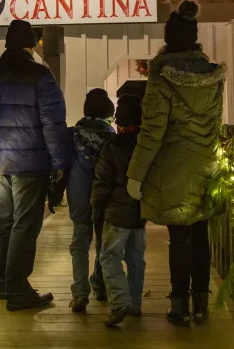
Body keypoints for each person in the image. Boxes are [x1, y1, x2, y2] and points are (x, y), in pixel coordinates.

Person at [127, 0, 225, 326]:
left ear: (168, 39)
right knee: (201, 236)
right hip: (208, 167)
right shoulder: (212, 76)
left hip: (174, 172)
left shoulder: (162, 77)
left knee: (179, 240)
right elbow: (215, 125)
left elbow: (152, 131)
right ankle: (202, 304)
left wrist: (135, 175)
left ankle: (179, 305)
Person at [0, 20, 72, 311]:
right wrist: (59, 162)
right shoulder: (40, 75)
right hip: (30, 161)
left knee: (4, 221)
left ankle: (4, 283)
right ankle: (18, 288)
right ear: (32, 44)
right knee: (25, 224)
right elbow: (52, 123)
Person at [93, 94, 147, 327]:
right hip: (140, 212)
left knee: (109, 257)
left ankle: (119, 301)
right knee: (136, 258)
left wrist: (96, 208)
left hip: (116, 212)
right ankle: (134, 303)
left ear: (119, 121)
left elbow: (101, 183)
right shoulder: (146, 147)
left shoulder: (112, 147)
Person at [65, 88, 115, 312]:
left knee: (80, 244)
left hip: (79, 197)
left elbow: (62, 165)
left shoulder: (72, 135)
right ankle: (101, 284)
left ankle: (80, 292)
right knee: (104, 243)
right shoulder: (112, 137)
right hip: (105, 199)